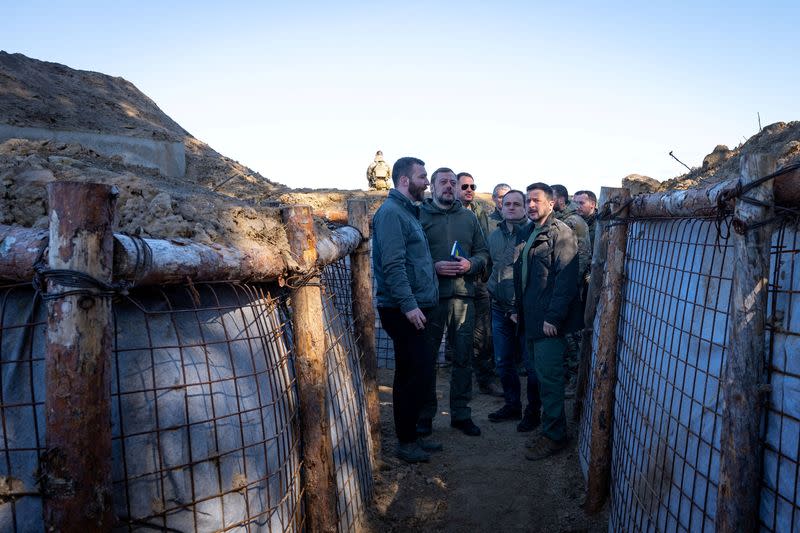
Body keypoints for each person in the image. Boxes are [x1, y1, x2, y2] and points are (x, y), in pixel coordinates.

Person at [373, 156, 443, 463]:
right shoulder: (391, 214)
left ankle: (412, 434)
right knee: (409, 375)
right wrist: (410, 306)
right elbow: (393, 266)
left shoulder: (406, 212)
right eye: (422, 177)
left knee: (418, 372)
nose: (426, 182)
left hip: (414, 307)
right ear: (404, 180)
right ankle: (406, 441)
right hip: (403, 310)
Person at [418, 167, 489, 437]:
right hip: (431, 299)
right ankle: (425, 416)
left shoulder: (468, 219)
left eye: (452, 182)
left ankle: (460, 414)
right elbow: (411, 255)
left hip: (463, 298)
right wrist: (432, 267)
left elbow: (483, 253)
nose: (448, 186)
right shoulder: (419, 215)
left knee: (463, 359)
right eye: (443, 182)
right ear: (432, 187)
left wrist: (471, 264)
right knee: (427, 359)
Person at [514, 183, 581, 460]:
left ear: (551, 204)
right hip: (532, 320)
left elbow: (566, 280)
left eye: (536, 201)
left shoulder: (561, 234)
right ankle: (549, 427)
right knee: (541, 378)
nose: (531, 205)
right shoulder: (530, 232)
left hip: (548, 324)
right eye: (528, 200)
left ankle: (556, 436)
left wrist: (553, 317)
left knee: (551, 380)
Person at [486, 189, 541, 431]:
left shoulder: (532, 234)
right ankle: (512, 404)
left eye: (516, 204)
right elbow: (491, 267)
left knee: (531, 365)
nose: (510, 207)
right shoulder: (493, 235)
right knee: (503, 361)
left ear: (525, 206)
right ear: (500, 206)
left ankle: (533, 411)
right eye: (506, 203)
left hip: (524, 312)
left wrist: (518, 307)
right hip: (499, 309)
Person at [457, 172, 502, 397]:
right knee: (456, 335)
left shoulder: (479, 212)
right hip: (451, 283)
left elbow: (484, 246)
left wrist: (482, 270)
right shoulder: (444, 212)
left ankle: (485, 379)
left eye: (473, 186)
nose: (469, 189)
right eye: (464, 185)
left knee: (484, 333)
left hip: (477, 280)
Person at [551, 184, 590, 398]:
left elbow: (580, 256)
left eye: (552, 198)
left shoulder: (570, 222)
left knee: (572, 337)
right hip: (572, 288)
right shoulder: (569, 220)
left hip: (572, 289)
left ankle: (576, 382)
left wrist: (567, 288)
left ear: (561, 200)